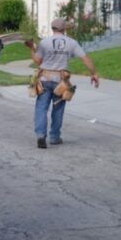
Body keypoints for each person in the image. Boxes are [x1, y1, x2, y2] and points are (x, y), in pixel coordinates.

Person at [26, 18, 100, 149]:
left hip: (45, 79)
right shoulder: (72, 43)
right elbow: (85, 58)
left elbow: (38, 61)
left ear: (52, 28)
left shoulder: (44, 42)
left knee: (41, 108)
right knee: (58, 109)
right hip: (61, 81)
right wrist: (93, 73)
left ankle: (41, 136)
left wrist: (32, 48)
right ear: (64, 29)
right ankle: (54, 137)